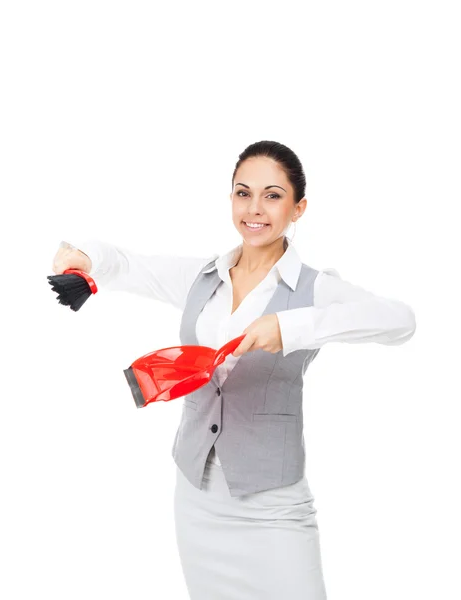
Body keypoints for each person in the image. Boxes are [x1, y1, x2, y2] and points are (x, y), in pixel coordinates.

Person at [52, 140, 416, 599]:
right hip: (197, 497)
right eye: (243, 193)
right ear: (230, 200)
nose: (255, 209)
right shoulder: (202, 277)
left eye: (272, 195)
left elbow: (400, 321)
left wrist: (290, 325)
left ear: (298, 208)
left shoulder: (316, 290)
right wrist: (85, 256)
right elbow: (125, 264)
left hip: (273, 504)